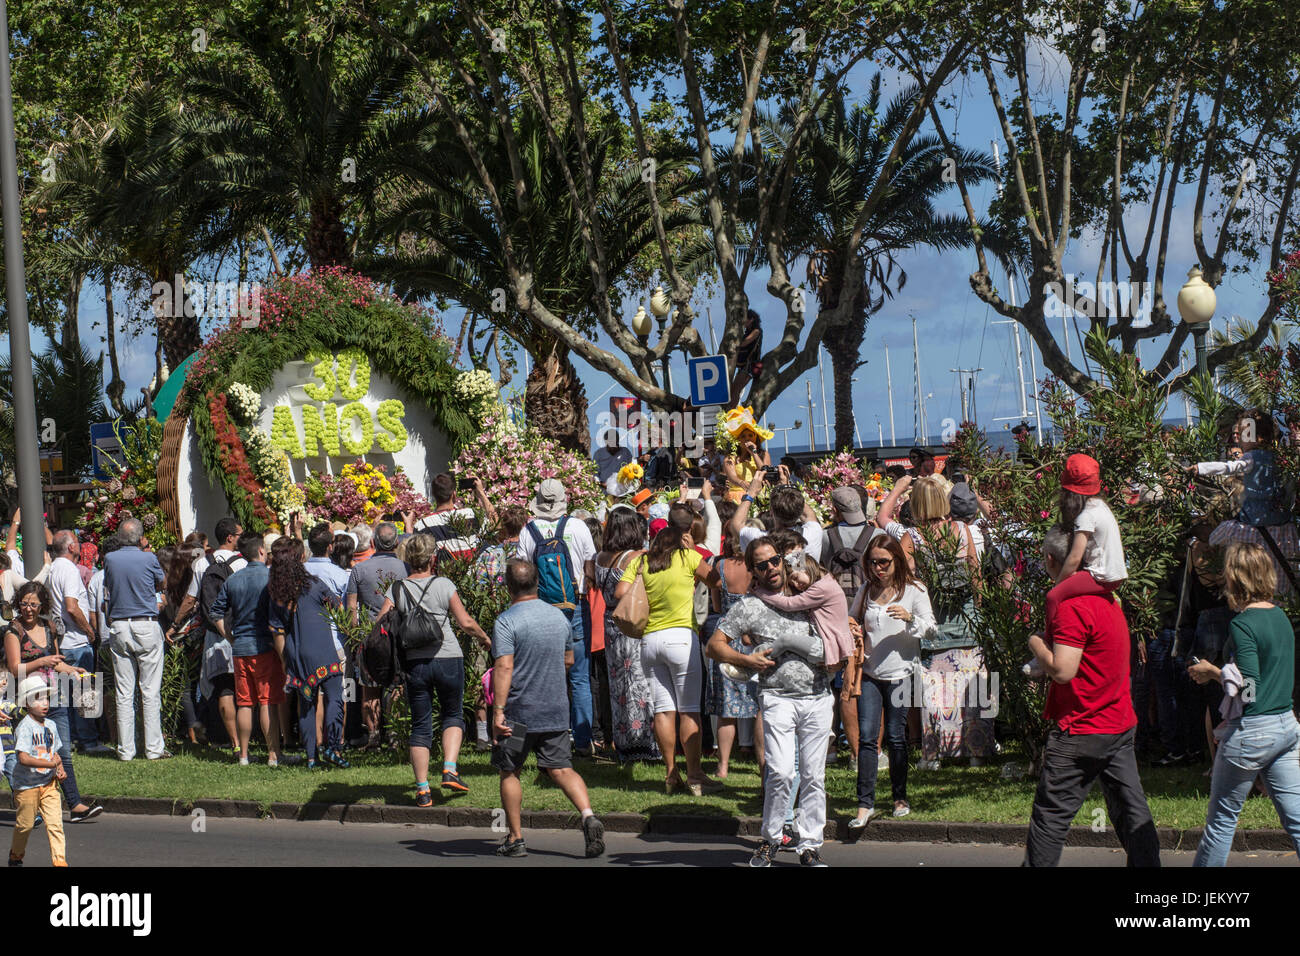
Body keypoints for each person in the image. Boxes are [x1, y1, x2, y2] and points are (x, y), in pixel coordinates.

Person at [1023, 527, 1161, 867]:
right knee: (1131, 812)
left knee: (1050, 820)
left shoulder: (1072, 607)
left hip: (1081, 728)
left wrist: (1035, 643)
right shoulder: (1109, 597)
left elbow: (1064, 670)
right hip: (1117, 723)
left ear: (1052, 560)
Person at [709, 537, 833, 867]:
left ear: (782, 559)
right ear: (753, 570)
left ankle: (809, 844)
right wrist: (746, 660)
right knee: (779, 771)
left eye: (774, 560)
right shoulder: (749, 606)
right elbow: (715, 645)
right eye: (762, 565)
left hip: (818, 696)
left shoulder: (805, 592)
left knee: (813, 775)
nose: (771, 568)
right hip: (777, 697)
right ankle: (771, 838)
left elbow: (836, 617)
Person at [1189, 542, 1300, 865]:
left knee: (1221, 823)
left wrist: (1213, 672)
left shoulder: (1242, 624)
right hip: (1286, 727)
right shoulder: (1281, 618)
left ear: (1235, 579)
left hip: (1253, 729)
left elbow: (1249, 684)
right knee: (1295, 819)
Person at [491, 559, 605, 859]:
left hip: (518, 714)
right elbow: (569, 659)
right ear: (537, 583)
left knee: (510, 770)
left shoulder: (506, 621)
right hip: (555, 707)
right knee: (562, 769)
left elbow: (504, 666)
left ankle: (515, 838)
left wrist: (498, 711)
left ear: (509, 586)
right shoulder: (558, 618)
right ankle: (588, 815)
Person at [614, 505, 721, 795]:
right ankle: (695, 774)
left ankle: (670, 773)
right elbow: (715, 579)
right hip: (681, 638)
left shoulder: (642, 562)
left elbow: (620, 594)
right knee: (688, 710)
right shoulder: (688, 558)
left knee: (663, 710)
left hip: (650, 641)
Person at [377, 533, 490, 803]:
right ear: (432, 558)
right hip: (448, 657)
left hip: (415, 663)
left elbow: (381, 622)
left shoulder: (397, 588)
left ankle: (422, 789)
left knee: (420, 724)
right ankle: (450, 770)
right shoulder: (443, 584)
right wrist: (485, 637)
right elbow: (465, 622)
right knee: (453, 714)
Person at [845, 534, 935, 824]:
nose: (878, 568)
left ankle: (899, 797)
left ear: (897, 559)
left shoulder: (915, 590)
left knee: (897, 737)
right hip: (870, 673)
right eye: (873, 563)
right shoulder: (866, 590)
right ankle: (865, 803)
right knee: (868, 738)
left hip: (902, 674)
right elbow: (850, 620)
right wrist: (854, 630)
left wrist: (910, 619)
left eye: (884, 562)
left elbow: (932, 630)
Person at [3, 582, 101, 821]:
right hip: (25, 701)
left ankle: (75, 805)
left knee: (62, 752)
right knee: (25, 756)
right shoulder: (12, 631)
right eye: (24, 603)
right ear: (19, 603)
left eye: (33, 604)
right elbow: (15, 669)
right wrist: (41, 662)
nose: (28, 609)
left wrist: (71, 669)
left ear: (42, 605)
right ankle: (30, 807)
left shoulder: (49, 627)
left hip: (53, 696)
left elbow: (56, 661)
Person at [517, 479, 598, 756]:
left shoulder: (528, 531)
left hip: (541, 611)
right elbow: (590, 570)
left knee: (542, 676)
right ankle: (584, 741)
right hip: (575, 607)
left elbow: (523, 572)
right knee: (580, 678)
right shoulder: (578, 527)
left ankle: (546, 739)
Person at [268, 538, 350, 769]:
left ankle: (312, 756)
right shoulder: (315, 584)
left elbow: (277, 631)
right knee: (334, 696)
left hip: (296, 651)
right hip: (323, 648)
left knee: (307, 704)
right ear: (300, 559)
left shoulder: (276, 592)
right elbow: (339, 608)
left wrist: (286, 661)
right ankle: (333, 747)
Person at [591, 506, 661, 763]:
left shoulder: (600, 557)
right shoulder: (634, 557)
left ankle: (622, 742)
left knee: (617, 685)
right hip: (632, 622)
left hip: (610, 623)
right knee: (638, 683)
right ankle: (643, 742)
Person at [210, 531, 285, 766]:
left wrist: (229, 636)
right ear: (262, 551)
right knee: (266, 702)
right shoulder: (271, 577)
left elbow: (215, 613)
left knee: (244, 702)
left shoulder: (233, 579)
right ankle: (273, 754)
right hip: (265, 645)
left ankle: (243, 755)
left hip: (240, 648)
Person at [103, 517, 171, 761]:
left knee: (124, 691)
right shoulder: (149, 558)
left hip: (120, 625)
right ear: (141, 538)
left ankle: (125, 750)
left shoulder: (110, 559)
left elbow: (109, 586)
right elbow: (161, 581)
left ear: (120, 537)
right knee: (150, 690)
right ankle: (153, 749)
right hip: (145, 623)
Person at [704, 515, 760, 779]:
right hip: (754, 638)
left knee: (727, 709)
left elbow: (716, 607)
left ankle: (723, 765)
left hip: (726, 637)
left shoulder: (720, 564)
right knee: (760, 705)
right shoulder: (759, 568)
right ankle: (763, 763)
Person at [346, 521, 408, 749]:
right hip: (398, 635)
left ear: (373, 543)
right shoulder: (406, 569)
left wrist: (354, 638)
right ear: (397, 542)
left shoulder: (358, 570)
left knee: (369, 688)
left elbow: (351, 608)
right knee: (397, 685)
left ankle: (373, 735)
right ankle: (395, 734)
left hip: (369, 635)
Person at [46, 530, 100, 752]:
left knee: (67, 698)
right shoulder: (68, 569)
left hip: (64, 642)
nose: (79, 545)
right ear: (71, 547)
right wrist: (89, 630)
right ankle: (88, 741)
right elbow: (71, 605)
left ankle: (73, 739)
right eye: (77, 542)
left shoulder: (53, 568)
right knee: (85, 694)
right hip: (76, 641)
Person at [194, 518, 245, 752]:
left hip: (216, 635)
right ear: (230, 537)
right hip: (240, 633)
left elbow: (198, 601)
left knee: (223, 688)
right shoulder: (242, 565)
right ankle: (248, 738)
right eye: (240, 534)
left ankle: (233, 741)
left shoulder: (203, 564)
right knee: (243, 689)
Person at [1189, 410, 1288, 528]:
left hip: (1256, 514)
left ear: (1258, 437)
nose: (1240, 439)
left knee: (1221, 532)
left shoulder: (1251, 457)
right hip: (1277, 512)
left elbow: (1228, 467)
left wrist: (1199, 468)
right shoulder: (1276, 456)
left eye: (1245, 434)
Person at [8, 676, 68, 866]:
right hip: (26, 787)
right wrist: (51, 764)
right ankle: (15, 856)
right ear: (26, 703)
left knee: (55, 825)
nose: (44, 703)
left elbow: (55, 753)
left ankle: (60, 861)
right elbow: (23, 758)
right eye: (38, 699)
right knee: (25, 826)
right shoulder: (25, 727)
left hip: (49, 785)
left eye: (46, 698)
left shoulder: (51, 725)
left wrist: (59, 768)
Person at [414, 473, 496, 562]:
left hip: (441, 575)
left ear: (434, 495)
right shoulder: (471, 515)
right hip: (472, 574)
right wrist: (481, 493)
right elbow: (495, 522)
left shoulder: (422, 525)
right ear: (454, 494)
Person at [473, 506, 528, 585]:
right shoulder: (531, 551)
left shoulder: (490, 554)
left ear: (504, 526)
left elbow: (477, 583)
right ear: (524, 525)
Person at [729, 308, 764, 402]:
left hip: (750, 364)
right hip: (744, 365)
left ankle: (730, 411)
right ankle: (730, 410)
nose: (743, 322)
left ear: (751, 319)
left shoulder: (756, 331)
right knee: (733, 390)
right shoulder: (747, 332)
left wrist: (734, 344)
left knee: (736, 390)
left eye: (745, 319)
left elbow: (745, 343)